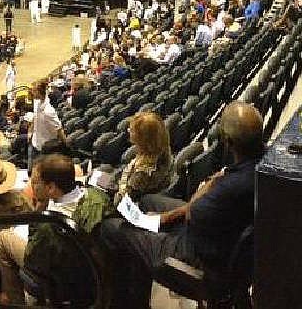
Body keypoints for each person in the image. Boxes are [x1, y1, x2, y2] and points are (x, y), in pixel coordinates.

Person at [101, 101, 265, 308]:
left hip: (200, 258)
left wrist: (209, 184)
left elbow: (192, 211)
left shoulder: (229, 187)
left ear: (228, 141)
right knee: (145, 201)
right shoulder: (261, 165)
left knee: (112, 228)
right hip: (223, 237)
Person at [0, 154, 111, 304]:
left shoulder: (49, 225)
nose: (31, 186)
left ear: (51, 188)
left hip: (64, 277)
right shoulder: (98, 196)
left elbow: (33, 261)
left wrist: (36, 217)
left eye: (35, 182)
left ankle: (14, 301)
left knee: (3, 237)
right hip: (96, 275)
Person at [114, 112, 173, 205]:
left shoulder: (142, 173)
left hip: (133, 203)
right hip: (144, 187)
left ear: (143, 138)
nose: (128, 130)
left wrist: (118, 187)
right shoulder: (162, 147)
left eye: (132, 130)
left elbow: (120, 201)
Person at [30, 79, 64, 172]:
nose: (31, 93)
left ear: (39, 92)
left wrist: (65, 146)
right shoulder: (37, 102)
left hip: (45, 147)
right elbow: (35, 117)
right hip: (35, 141)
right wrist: (30, 130)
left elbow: (59, 129)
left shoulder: (49, 111)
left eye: (33, 91)